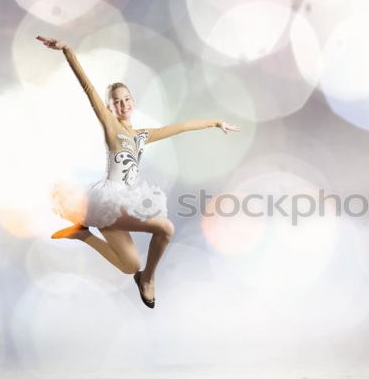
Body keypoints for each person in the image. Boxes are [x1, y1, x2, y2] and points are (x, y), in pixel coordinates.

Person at [36, 35, 240, 308]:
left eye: (126, 99)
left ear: (132, 101)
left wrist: (215, 122)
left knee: (130, 265)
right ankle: (148, 280)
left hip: (123, 202)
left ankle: (82, 234)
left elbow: (179, 127)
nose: (123, 105)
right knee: (165, 228)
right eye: (116, 102)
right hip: (107, 201)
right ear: (110, 107)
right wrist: (67, 51)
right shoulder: (110, 126)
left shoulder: (142, 135)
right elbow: (88, 89)